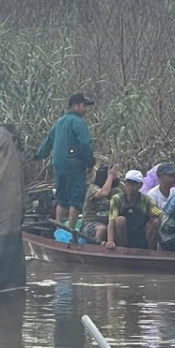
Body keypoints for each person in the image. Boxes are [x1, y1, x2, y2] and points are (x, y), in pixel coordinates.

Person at [34, 92, 95, 229]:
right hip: (74, 165)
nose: (85, 109)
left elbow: (47, 143)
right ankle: (71, 231)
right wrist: (90, 162)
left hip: (59, 166)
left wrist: (37, 156)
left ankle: (59, 229)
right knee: (76, 199)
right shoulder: (78, 122)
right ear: (75, 105)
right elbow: (85, 144)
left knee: (62, 198)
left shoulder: (59, 123)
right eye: (83, 106)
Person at [107, 170, 162, 250]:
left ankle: (150, 251)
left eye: (134, 183)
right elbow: (111, 221)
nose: (131, 186)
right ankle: (122, 249)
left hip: (140, 234)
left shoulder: (147, 201)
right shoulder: (117, 199)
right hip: (123, 235)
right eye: (128, 183)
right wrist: (110, 241)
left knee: (156, 221)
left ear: (140, 185)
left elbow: (160, 214)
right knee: (120, 220)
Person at [81, 164, 120, 242]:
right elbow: (104, 193)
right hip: (91, 224)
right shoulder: (93, 188)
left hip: (109, 223)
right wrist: (110, 176)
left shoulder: (116, 191)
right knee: (102, 229)